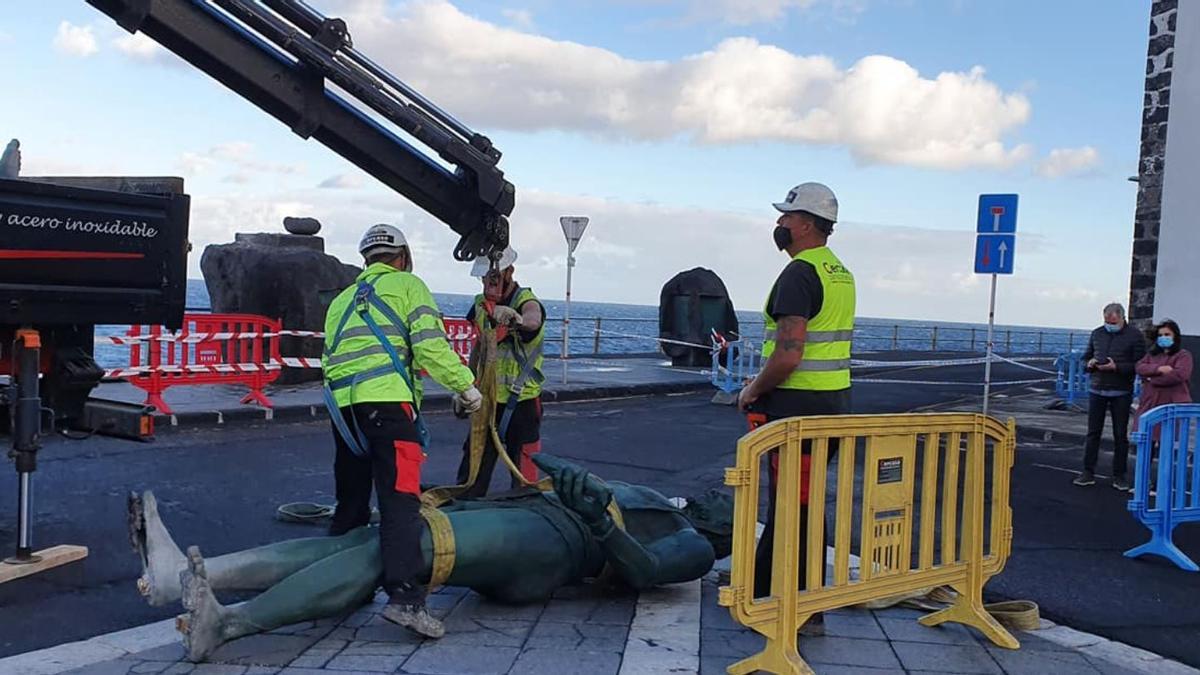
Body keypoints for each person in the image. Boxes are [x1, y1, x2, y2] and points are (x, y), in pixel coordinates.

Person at [126, 455, 732, 662]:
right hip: (535, 513)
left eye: (731, 504)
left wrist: (598, 517)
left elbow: (645, 572)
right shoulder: (668, 503)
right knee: (373, 541)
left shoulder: (695, 547)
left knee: (409, 549)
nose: (720, 494)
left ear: (727, 533)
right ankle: (182, 577)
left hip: (553, 548)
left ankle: (230, 624)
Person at [321, 223, 483, 638]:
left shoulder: (341, 300)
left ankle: (338, 586)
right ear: (404, 257)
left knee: (351, 503)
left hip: (346, 414)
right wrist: (466, 386)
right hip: (389, 410)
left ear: (366, 261)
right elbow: (430, 345)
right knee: (400, 502)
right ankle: (406, 599)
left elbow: (331, 359)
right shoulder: (408, 286)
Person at [736, 182, 855, 634]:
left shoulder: (799, 274)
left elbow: (788, 353)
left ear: (805, 224)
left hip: (795, 409)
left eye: (786, 217)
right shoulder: (839, 272)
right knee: (798, 503)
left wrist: (752, 389)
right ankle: (775, 590)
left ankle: (794, 607)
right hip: (832, 403)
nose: (779, 224)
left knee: (792, 507)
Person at [455, 246, 546, 497]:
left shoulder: (526, 301)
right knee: (471, 475)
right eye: (484, 276)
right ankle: (465, 516)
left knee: (525, 481)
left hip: (522, 403)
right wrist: (465, 387)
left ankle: (527, 518)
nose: (487, 281)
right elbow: (479, 345)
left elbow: (533, 320)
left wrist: (515, 319)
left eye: (492, 276)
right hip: (487, 401)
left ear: (509, 272)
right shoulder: (480, 305)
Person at [1074, 303, 1147, 491]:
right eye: (1106, 321)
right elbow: (1085, 357)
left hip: (1121, 392)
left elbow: (1140, 364)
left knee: (1120, 435)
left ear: (1122, 318)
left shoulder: (1135, 336)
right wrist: (1089, 363)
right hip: (1097, 389)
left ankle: (1119, 475)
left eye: (1113, 322)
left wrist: (1117, 367)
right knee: (1092, 433)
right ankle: (1087, 472)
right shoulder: (1097, 334)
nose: (1109, 325)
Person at [1133, 319, 1193, 459]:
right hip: (1150, 404)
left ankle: (1165, 479)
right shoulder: (1152, 355)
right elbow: (1140, 367)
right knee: (1146, 444)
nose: (1163, 338)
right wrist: (1159, 369)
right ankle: (1145, 479)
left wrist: (1151, 379)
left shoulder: (1183, 355)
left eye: (1167, 334)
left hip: (1171, 405)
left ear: (1175, 336)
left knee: (1166, 447)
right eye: (1161, 335)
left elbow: (1179, 375)